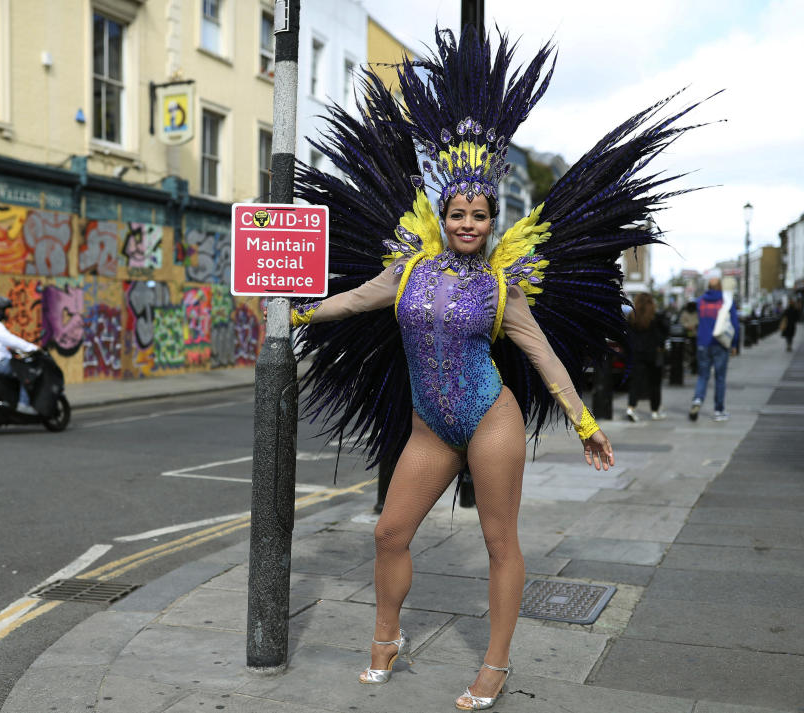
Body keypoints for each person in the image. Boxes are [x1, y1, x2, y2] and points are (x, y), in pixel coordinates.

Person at [288, 27, 708, 710]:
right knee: (390, 531)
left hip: (489, 416)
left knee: (497, 540)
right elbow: (355, 300)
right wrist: (298, 315)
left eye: (478, 214)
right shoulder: (407, 268)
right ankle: (387, 636)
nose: (467, 223)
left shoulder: (504, 285)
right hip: (431, 425)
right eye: (457, 212)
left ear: (491, 217)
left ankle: (494, 663)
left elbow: (542, 357)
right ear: (444, 212)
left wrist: (585, 422)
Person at [689, 277, 740, 422]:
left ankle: (697, 400)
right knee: (720, 378)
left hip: (702, 343)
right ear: (720, 287)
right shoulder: (727, 301)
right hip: (720, 343)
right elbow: (735, 325)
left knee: (703, 376)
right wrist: (734, 344)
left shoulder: (700, 301)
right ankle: (718, 411)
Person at [625, 293, 668, 421]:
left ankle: (631, 408)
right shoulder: (655, 317)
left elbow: (627, 335)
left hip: (636, 353)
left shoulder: (632, 317)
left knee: (635, 382)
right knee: (654, 383)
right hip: (653, 353)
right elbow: (663, 334)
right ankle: (655, 410)